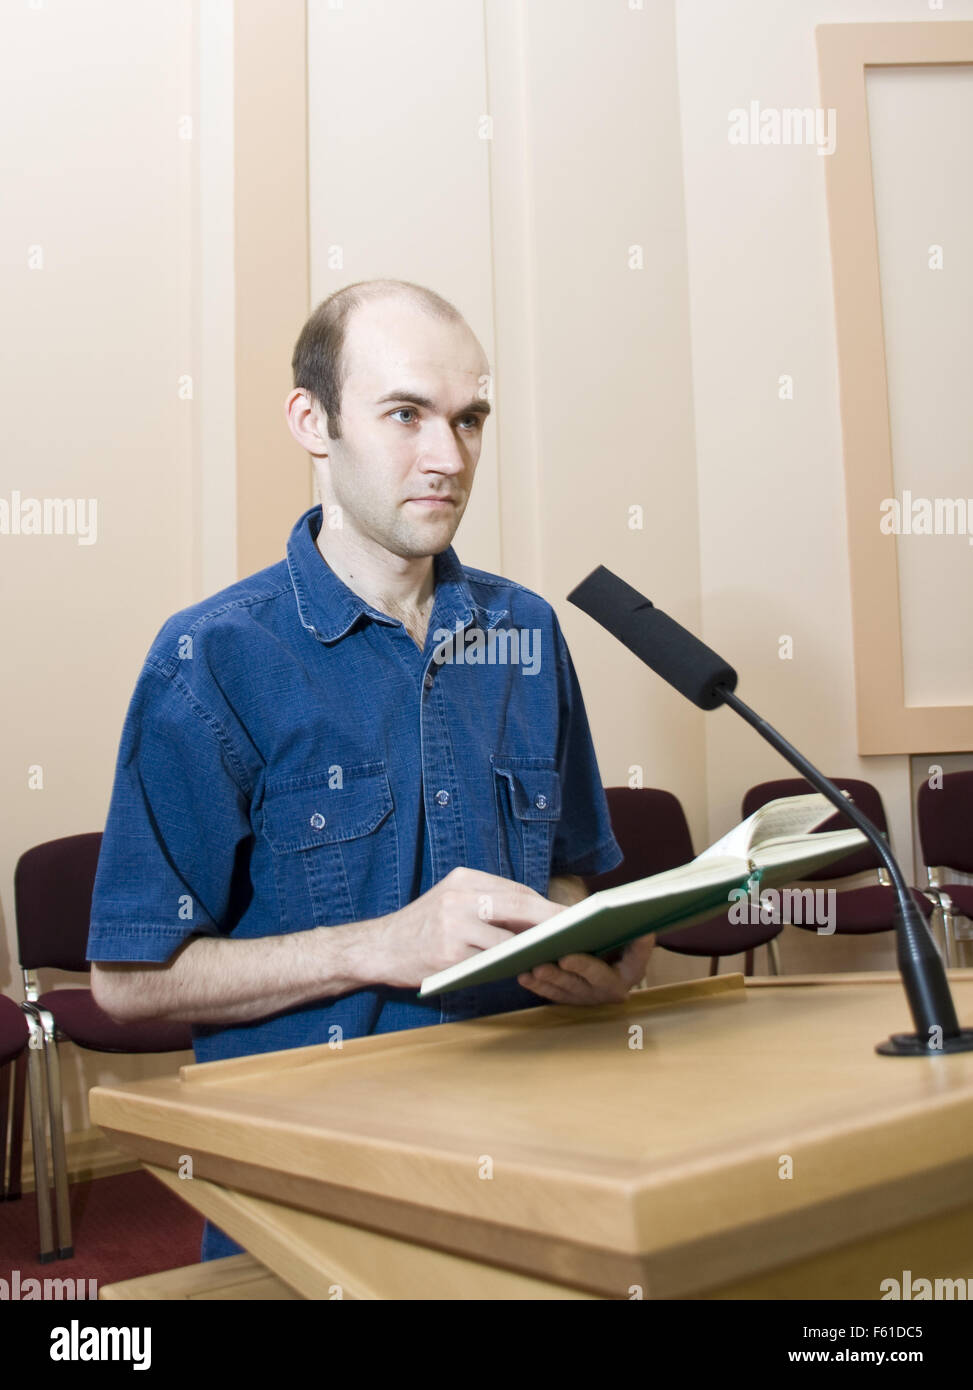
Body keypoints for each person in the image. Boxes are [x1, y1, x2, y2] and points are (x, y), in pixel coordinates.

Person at [86, 279, 655, 1261]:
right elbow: (130, 983)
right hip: (311, 1188)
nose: (449, 457)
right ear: (313, 421)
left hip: (539, 1157)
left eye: (469, 419)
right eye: (405, 415)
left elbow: (565, 871)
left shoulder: (525, 633)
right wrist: (375, 947)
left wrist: (581, 951)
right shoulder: (211, 659)